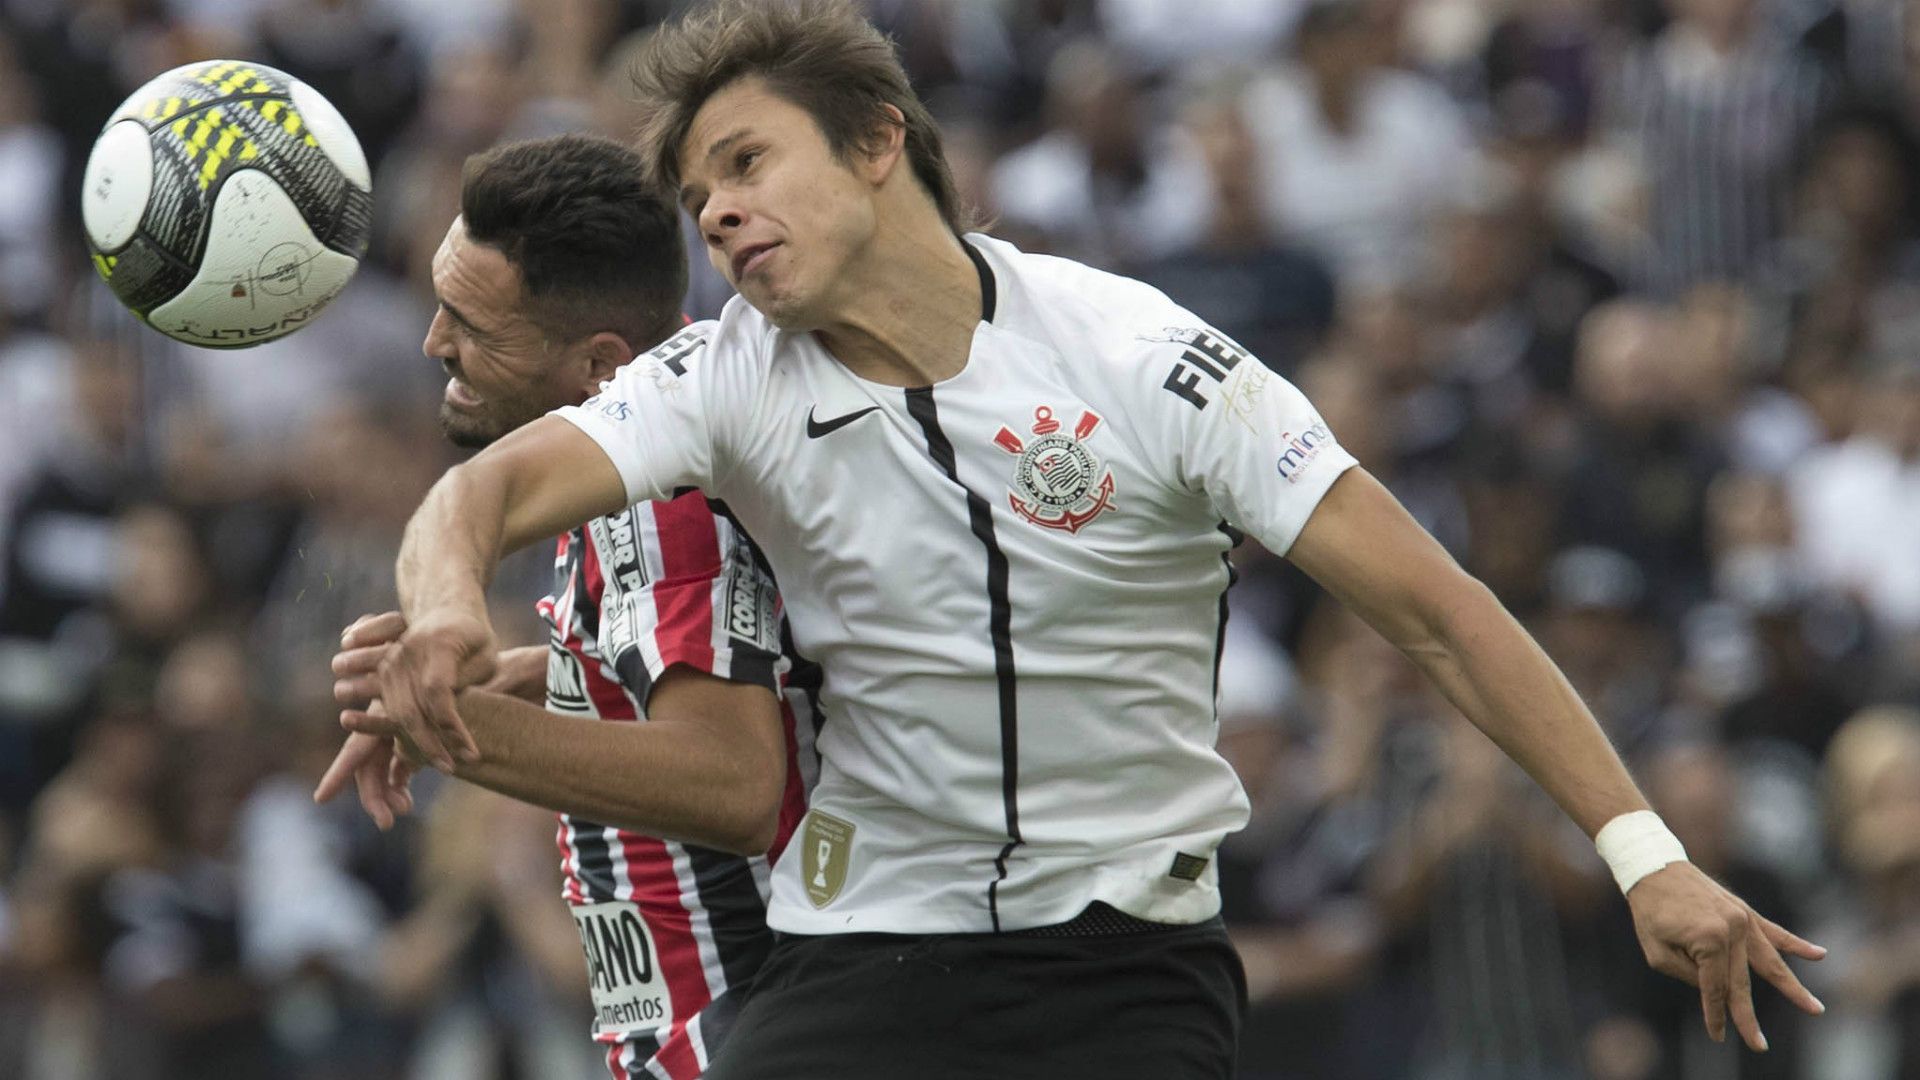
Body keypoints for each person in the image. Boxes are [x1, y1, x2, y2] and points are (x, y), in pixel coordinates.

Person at [353, 3, 1827, 1076]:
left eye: (746, 163)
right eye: (699, 197)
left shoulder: (1142, 360)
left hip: (1126, 977)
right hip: (862, 966)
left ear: (878, 145)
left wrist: (1646, 857)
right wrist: (442, 613)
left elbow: (1438, 610)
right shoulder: (726, 373)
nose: (721, 214)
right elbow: (476, 498)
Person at [313, 133, 812, 1080]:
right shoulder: (642, 469)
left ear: (600, 367)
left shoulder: (664, 499)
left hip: (750, 1033)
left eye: (474, 324)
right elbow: (750, 663)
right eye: (439, 303)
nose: (434, 342)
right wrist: (535, 678)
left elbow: (735, 783)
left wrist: (465, 730)